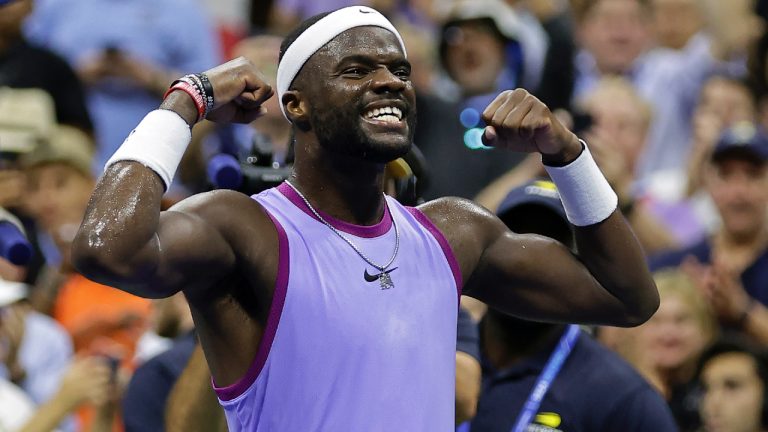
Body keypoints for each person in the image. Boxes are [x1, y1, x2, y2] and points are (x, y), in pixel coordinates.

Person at [72, 6, 658, 430]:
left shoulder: (454, 232)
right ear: (295, 104)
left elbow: (627, 297)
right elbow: (105, 248)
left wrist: (566, 155)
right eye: (355, 70)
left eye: (399, 71)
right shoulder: (245, 226)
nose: (387, 82)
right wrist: (185, 101)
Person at [469, 179, 677, 431]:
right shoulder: (441, 355)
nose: (527, 263)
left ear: (582, 267)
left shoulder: (622, 398)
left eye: (551, 243)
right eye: (515, 237)